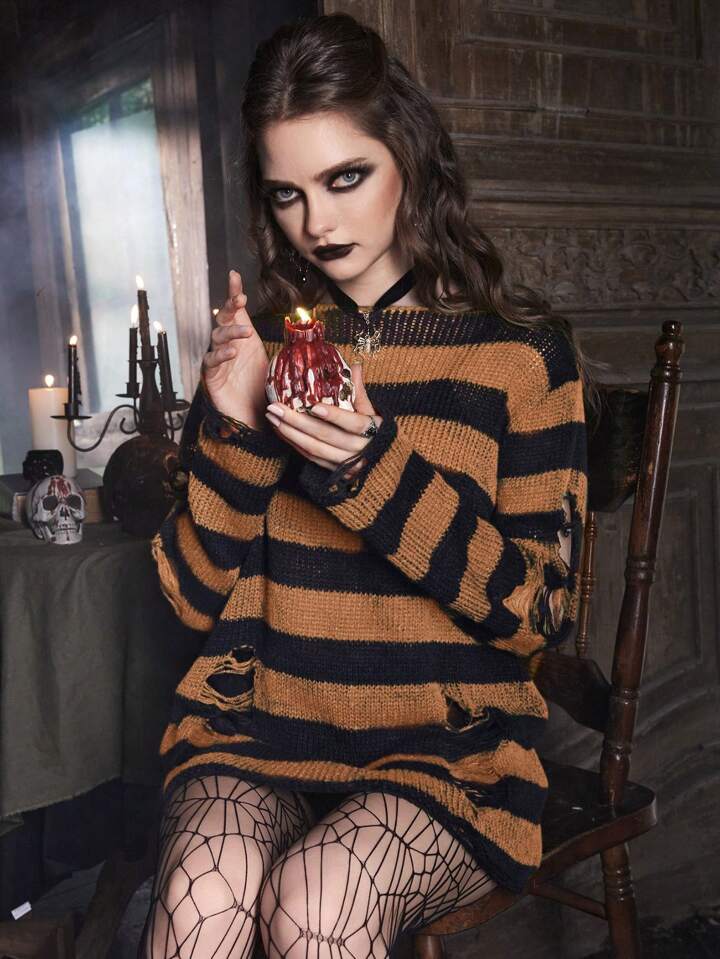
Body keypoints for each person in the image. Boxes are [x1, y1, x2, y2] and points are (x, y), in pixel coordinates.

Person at [138, 12, 592, 958]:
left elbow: (538, 613)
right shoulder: (261, 353)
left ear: (410, 158)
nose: (318, 223)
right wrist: (236, 425)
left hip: (447, 750)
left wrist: (368, 466)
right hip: (259, 729)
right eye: (289, 193)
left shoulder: (520, 358)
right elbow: (186, 601)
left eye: (345, 177)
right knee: (199, 899)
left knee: (318, 902)